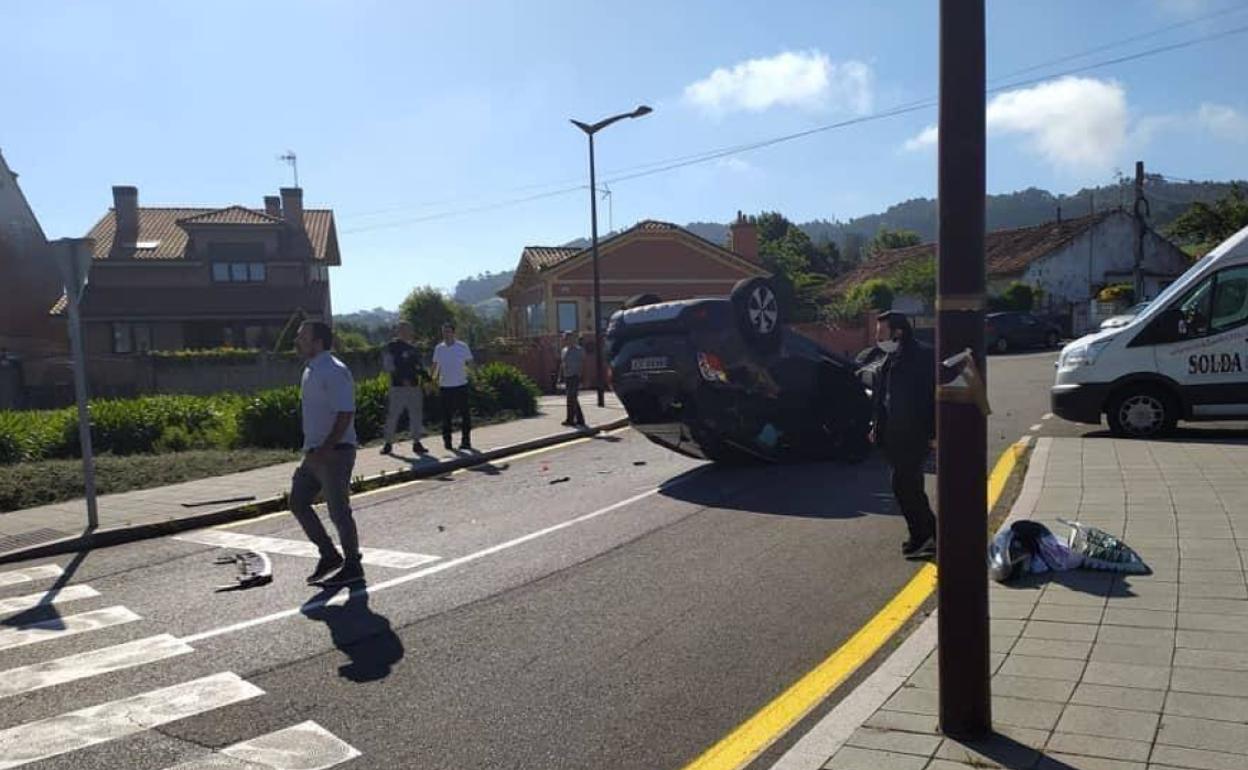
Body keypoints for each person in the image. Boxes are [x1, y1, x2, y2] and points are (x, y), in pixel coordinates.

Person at [290, 321, 365, 586]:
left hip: (334, 453)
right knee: (298, 502)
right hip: (314, 453)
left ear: (318, 341)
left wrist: (326, 448)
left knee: (338, 512)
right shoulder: (311, 369)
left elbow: (345, 413)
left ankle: (353, 565)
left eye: (302, 336)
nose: (296, 340)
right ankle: (329, 555)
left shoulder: (334, 371)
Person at [871, 311, 937, 560]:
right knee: (907, 488)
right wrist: (876, 426)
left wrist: (933, 432)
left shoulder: (920, 356)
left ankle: (925, 536)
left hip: (914, 433)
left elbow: (931, 397)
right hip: (894, 433)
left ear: (897, 332)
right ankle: (927, 534)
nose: (877, 338)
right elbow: (884, 396)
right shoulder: (891, 356)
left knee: (905, 486)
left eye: (881, 333)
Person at [381, 321, 428, 455]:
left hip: (414, 386)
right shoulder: (392, 347)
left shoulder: (413, 348)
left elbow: (419, 367)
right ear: (398, 331)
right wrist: (401, 379)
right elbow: (388, 366)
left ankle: (416, 442)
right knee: (394, 415)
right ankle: (388, 443)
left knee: (416, 415)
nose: (406, 332)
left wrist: (429, 380)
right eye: (403, 330)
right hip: (398, 387)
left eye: (408, 330)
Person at [432, 322, 474, 450]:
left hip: (461, 384)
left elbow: (470, 363)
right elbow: (435, 366)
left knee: (465, 415)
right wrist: (430, 380)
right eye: (444, 331)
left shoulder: (462, 346)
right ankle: (447, 442)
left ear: (453, 332)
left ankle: (465, 441)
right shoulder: (439, 348)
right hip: (445, 386)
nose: (446, 334)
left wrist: (477, 378)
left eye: (448, 331)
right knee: (446, 416)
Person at [559, 331, 587, 427]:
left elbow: (583, 364)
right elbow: (563, 364)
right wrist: (561, 377)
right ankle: (580, 420)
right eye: (566, 338)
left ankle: (571, 420)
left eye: (569, 338)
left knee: (572, 397)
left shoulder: (579, 350)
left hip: (576, 376)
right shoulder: (564, 350)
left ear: (573, 339)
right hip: (567, 376)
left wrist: (582, 377)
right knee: (571, 398)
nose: (567, 340)